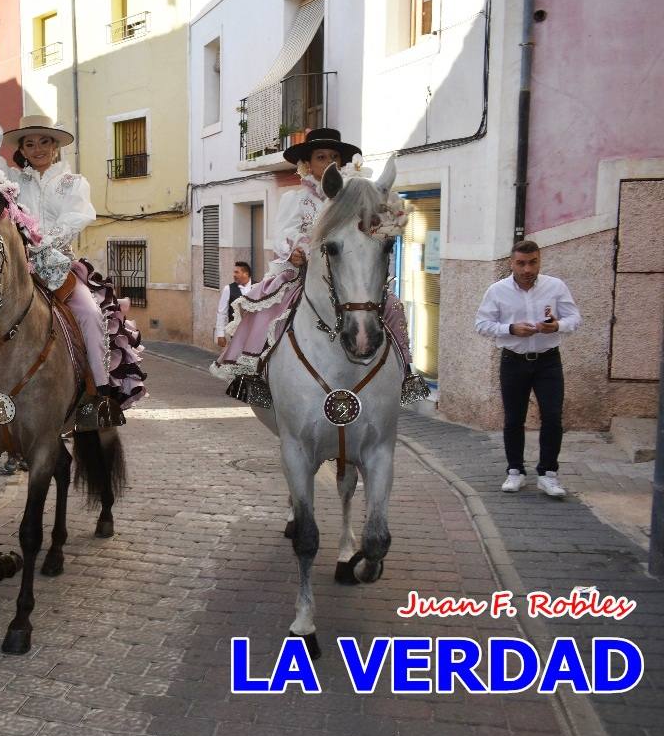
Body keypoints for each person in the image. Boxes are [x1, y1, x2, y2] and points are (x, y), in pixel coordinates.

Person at [0, 71, 146, 421]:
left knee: (90, 315)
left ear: (56, 147)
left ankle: (97, 396)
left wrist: (43, 243)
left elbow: (77, 217)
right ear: (21, 149)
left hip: (57, 266)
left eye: (44, 142)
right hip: (13, 267)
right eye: (29, 144)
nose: (37, 149)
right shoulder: (11, 180)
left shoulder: (72, 183)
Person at [212, 128, 428, 405]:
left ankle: (406, 372)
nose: (328, 162)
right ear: (308, 164)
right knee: (268, 308)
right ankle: (255, 375)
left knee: (393, 305)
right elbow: (283, 234)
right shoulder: (296, 199)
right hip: (304, 273)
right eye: (321, 156)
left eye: (334, 157)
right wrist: (296, 252)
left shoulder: (354, 198)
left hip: (348, 272)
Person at [475, 240, 580, 498]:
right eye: (521, 263)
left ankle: (548, 474)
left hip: (548, 361)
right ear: (511, 263)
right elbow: (481, 324)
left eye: (532, 262)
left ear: (539, 261)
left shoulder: (555, 286)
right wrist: (510, 329)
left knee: (553, 417)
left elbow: (574, 318)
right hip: (513, 360)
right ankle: (515, 471)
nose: (527, 269)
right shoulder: (497, 290)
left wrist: (557, 326)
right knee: (513, 419)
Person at [216, 262, 254, 348]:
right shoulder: (228, 289)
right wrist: (220, 334)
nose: (234, 275)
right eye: (234, 272)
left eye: (237, 272)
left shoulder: (258, 286)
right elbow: (222, 312)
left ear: (246, 273)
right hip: (236, 333)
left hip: (255, 332)